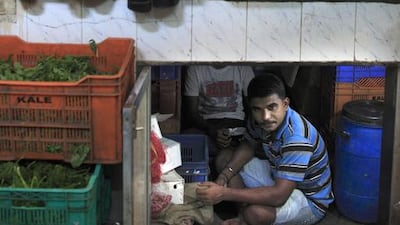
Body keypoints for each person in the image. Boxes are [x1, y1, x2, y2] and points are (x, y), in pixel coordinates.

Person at [196, 74, 334, 225]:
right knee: (225, 158)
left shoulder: (297, 138)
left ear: (285, 104)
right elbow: (249, 145)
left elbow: (279, 196)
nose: (265, 116)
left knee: (255, 213)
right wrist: (223, 177)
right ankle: (243, 216)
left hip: (308, 200)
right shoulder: (260, 120)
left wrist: (223, 193)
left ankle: (246, 217)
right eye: (257, 109)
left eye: (271, 107)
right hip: (278, 176)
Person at [183, 65, 255, 169]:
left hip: (236, 124)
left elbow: (253, 107)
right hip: (206, 125)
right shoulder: (195, 68)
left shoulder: (242, 67)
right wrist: (211, 130)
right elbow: (191, 113)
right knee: (186, 140)